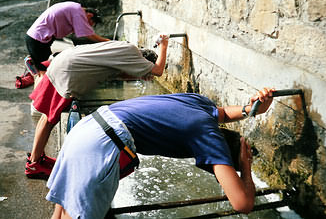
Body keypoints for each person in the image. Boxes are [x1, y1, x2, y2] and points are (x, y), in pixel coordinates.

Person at [46, 87, 275, 219]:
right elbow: (242, 204)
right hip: (102, 144)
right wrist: (246, 167)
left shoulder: (201, 107)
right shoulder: (210, 139)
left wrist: (253, 109)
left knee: (63, 210)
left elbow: (224, 113)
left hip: (88, 127)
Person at [25, 36, 169, 179]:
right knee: (50, 119)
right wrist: (164, 44)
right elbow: (158, 70)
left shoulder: (126, 49)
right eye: (145, 70)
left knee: (47, 116)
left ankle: (37, 158)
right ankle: (34, 165)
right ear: (144, 61)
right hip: (69, 71)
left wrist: (140, 74)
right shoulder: (133, 55)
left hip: (65, 62)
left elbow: (118, 74)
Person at [25, 1, 110, 75]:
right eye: (90, 24)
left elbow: (78, 32)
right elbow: (89, 35)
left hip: (40, 38)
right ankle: (40, 87)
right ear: (90, 15)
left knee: (49, 65)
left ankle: (32, 61)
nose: (88, 26)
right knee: (44, 72)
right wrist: (108, 42)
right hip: (37, 39)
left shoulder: (75, 9)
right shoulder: (78, 12)